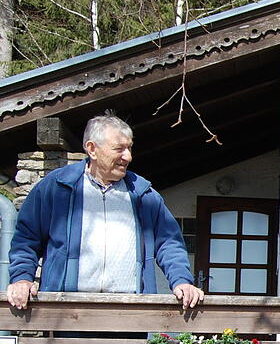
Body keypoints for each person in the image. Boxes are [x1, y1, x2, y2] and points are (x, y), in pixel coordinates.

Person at [7, 115, 204, 310]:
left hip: (131, 311)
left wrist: (181, 281)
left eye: (129, 148)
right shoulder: (56, 187)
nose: (128, 157)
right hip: (65, 310)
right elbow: (26, 239)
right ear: (92, 149)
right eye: (119, 149)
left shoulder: (144, 194)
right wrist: (22, 278)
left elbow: (168, 243)